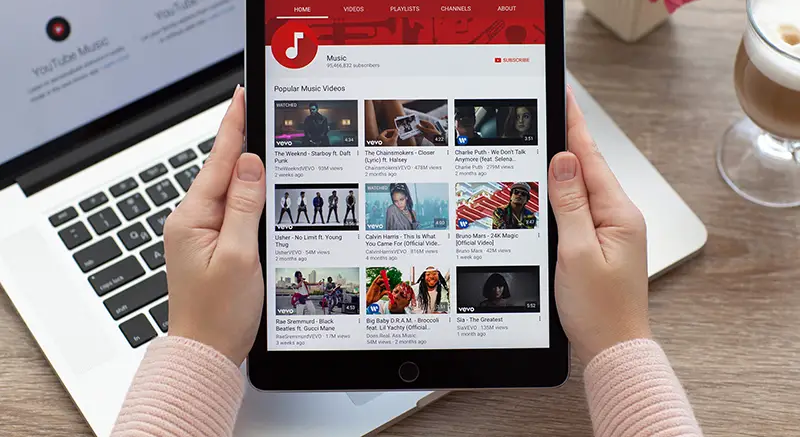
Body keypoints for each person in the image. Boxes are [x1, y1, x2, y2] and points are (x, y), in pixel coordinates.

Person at [110, 86, 703, 437]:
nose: (395, 198)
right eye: (392, 196)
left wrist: (199, 347)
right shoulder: (387, 215)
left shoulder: (419, 213)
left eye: (399, 196)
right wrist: (621, 342)